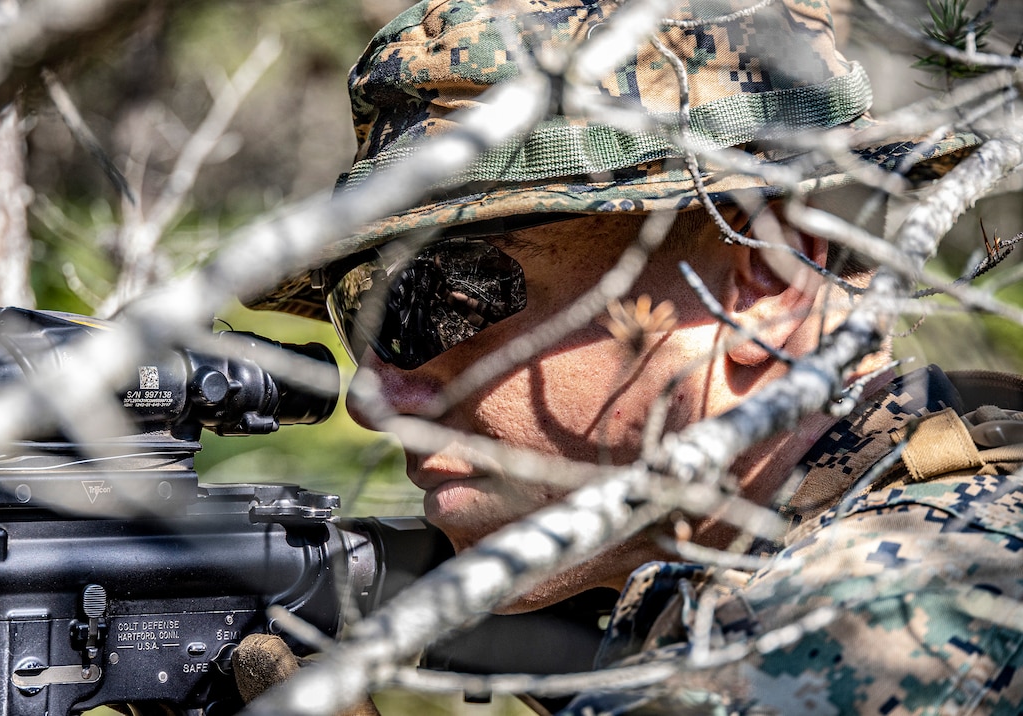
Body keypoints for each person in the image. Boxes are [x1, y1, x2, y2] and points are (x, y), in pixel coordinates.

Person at [240, 0, 1023, 713]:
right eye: (363, 310)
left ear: (772, 272)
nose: (372, 397)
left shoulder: (873, 614)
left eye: (441, 299)